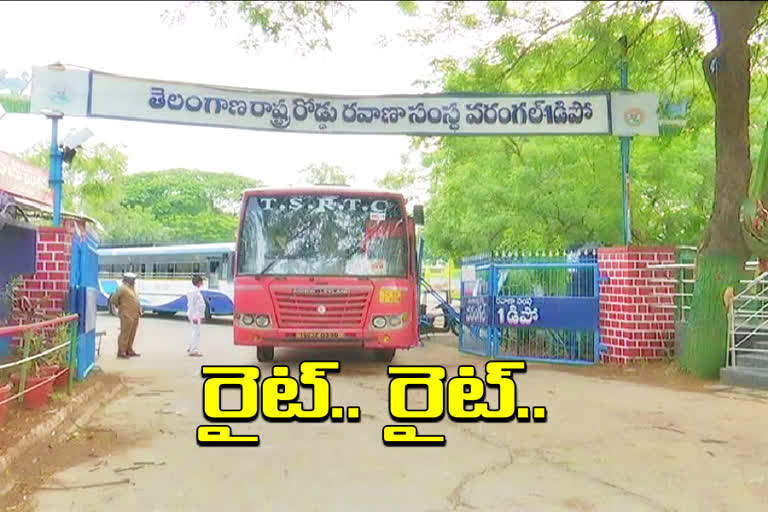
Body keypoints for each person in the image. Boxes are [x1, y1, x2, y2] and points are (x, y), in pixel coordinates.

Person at [110, 273, 142, 359]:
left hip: (135, 314)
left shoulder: (133, 288)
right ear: (128, 279)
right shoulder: (122, 288)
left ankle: (129, 350)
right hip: (126, 314)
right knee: (125, 333)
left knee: (132, 333)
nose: (134, 281)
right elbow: (113, 299)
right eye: (133, 279)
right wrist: (120, 307)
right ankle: (122, 351)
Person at [186, 274, 206, 357]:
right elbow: (192, 305)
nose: (202, 283)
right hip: (195, 315)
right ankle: (193, 350)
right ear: (198, 282)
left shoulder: (197, 291)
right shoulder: (193, 292)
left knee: (195, 332)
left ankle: (191, 347)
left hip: (197, 315)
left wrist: (202, 316)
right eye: (201, 281)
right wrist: (194, 317)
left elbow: (200, 304)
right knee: (196, 332)